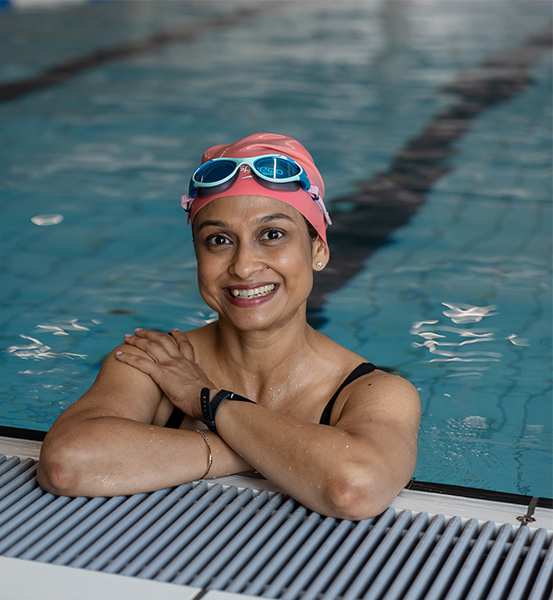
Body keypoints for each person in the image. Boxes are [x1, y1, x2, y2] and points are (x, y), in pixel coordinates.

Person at [38, 132, 420, 520]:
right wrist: (270, 448)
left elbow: (352, 488)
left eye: (272, 235)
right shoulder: (154, 362)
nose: (243, 266)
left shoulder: (375, 394)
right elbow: (68, 464)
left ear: (318, 249)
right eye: (219, 240)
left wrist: (205, 398)